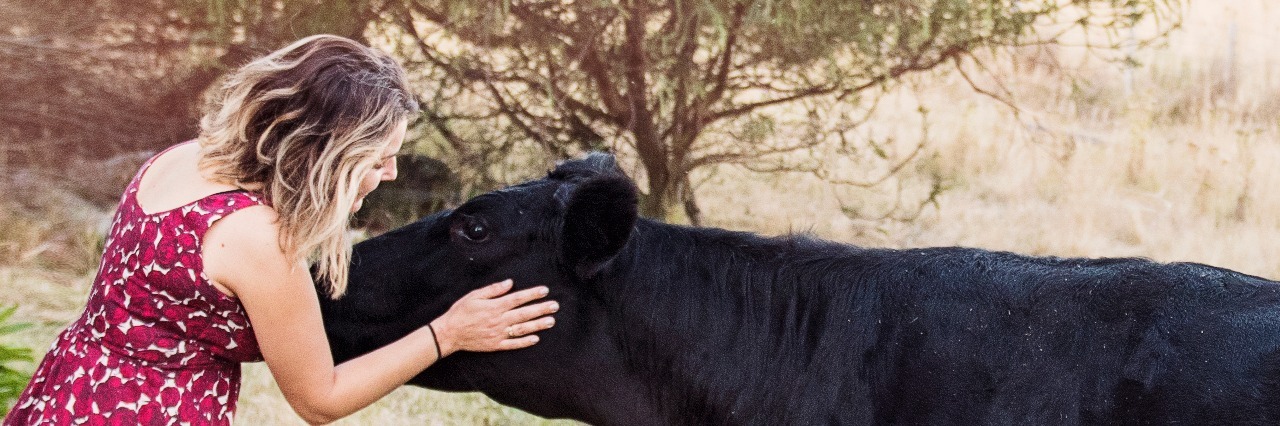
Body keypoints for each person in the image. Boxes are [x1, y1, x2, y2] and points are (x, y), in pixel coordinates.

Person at [3, 34, 558, 425]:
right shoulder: (257, 241)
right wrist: (449, 333)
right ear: (322, 155)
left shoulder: (183, 160)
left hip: (72, 391)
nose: (390, 174)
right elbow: (320, 400)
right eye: (377, 159)